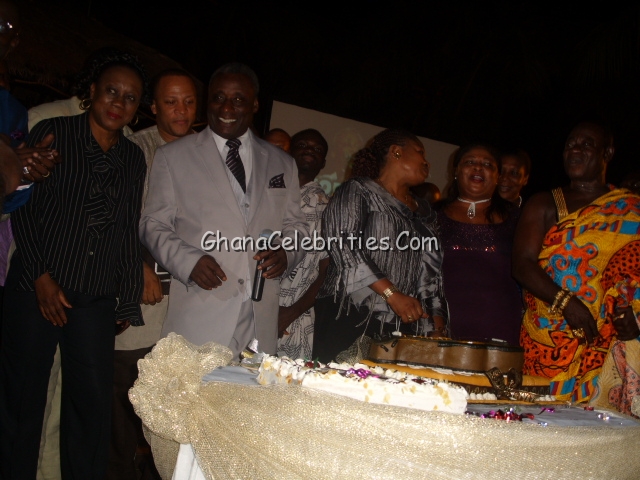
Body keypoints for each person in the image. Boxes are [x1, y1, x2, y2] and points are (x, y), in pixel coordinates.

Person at [0, 51, 148, 479]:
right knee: (22, 401)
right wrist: (40, 275)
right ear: (92, 91)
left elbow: (126, 226)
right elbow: (26, 210)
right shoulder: (53, 132)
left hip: (94, 295)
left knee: (91, 407)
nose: (119, 103)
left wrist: (125, 299)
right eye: (111, 91)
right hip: (37, 287)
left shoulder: (133, 157)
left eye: (130, 97)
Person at [140, 62, 308, 358]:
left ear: (254, 104)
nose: (226, 107)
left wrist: (287, 252)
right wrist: (189, 261)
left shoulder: (282, 162)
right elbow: (153, 224)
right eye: (218, 98)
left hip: (259, 317)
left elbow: (297, 226)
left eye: (238, 99)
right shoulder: (173, 156)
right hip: (200, 310)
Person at [513, 122, 640, 413]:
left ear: (607, 153)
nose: (575, 150)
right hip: (550, 339)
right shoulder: (544, 203)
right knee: (543, 420)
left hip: (609, 341)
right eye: (570, 144)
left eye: (586, 144)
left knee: (601, 427)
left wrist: (634, 319)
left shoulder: (630, 209)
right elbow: (522, 265)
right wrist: (567, 303)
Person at [107, 68, 197, 480]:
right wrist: (137, 265)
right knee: (125, 402)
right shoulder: (135, 149)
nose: (181, 111)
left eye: (188, 102)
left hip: (187, 306)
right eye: (171, 102)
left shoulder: (207, 155)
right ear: (154, 107)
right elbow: (116, 216)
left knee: (174, 410)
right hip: (140, 297)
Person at [312, 128, 448, 363]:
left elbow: (432, 274)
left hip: (403, 324)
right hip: (350, 314)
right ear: (396, 152)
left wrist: (436, 323)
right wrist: (392, 294)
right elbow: (343, 244)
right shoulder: (358, 190)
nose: (426, 162)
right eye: (420, 152)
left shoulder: (426, 213)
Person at [435, 144, 522, 345]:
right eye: (470, 162)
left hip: (500, 324)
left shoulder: (518, 218)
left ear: (498, 176)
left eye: (487, 164)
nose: (478, 167)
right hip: (442, 324)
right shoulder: (431, 215)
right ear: (456, 170)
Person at [278, 128, 330, 359]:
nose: (309, 150)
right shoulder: (267, 194)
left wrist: (291, 312)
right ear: (289, 152)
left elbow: (328, 270)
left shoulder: (327, 208)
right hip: (252, 305)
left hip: (295, 315)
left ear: (323, 162)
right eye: (302, 145)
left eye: (317, 149)